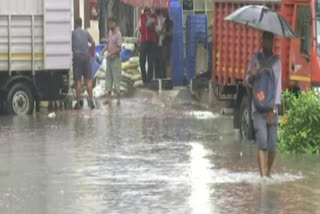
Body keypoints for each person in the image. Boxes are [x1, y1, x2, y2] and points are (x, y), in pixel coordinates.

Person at [246, 32, 282, 178]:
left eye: (269, 40)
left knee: (272, 145)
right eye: (264, 40)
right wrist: (252, 75)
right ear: (262, 42)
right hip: (258, 108)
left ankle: (268, 173)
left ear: (272, 42)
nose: (267, 43)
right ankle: (262, 178)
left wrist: (274, 109)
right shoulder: (255, 59)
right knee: (262, 142)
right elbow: (247, 81)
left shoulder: (276, 62)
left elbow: (278, 87)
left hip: (271, 109)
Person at [72, 17, 96, 110]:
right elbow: (93, 42)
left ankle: (78, 103)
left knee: (78, 82)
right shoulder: (86, 32)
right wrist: (92, 51)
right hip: (86, 57)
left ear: (75, 24)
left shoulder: (73, 34)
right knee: (88, 81)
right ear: (81, 24)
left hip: (77, 58)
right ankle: (91, 101)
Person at [102, 17, 123, 105]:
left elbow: (119, 48)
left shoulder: (118, 34)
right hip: (109, 59)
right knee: (108, 78)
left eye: (111, 23)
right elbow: (107, 44)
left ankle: (118, 98)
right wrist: (102, 51)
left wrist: (111, 53)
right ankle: (108, 98)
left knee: (116, 78)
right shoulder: (110, 33)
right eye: (109, 23)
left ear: (115, 23)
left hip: (115, 59)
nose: (110, 25)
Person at [139, 7, 157, 86]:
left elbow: (156, 28)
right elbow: (140, 27)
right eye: (145, 10)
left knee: (150, 61)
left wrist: (152, 25)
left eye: (148, 10)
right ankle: (144, 79)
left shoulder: (154, 17)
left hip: (151, 41)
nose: (147, 11)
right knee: (141, 61)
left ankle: (149, 80)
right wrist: (140, 29)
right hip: (143, 41)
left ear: (150, 10)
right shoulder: (141, 17)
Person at [161, 9, 173, 78]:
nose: (162, 14)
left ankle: (168, 78)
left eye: (163, 12)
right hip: (164, 43)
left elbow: (170, 33)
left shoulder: (169, 22)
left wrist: (163, 32)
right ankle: (166, 77)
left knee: (167, 61)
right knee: (164, 60)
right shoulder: (165, 21)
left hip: (167, 43)